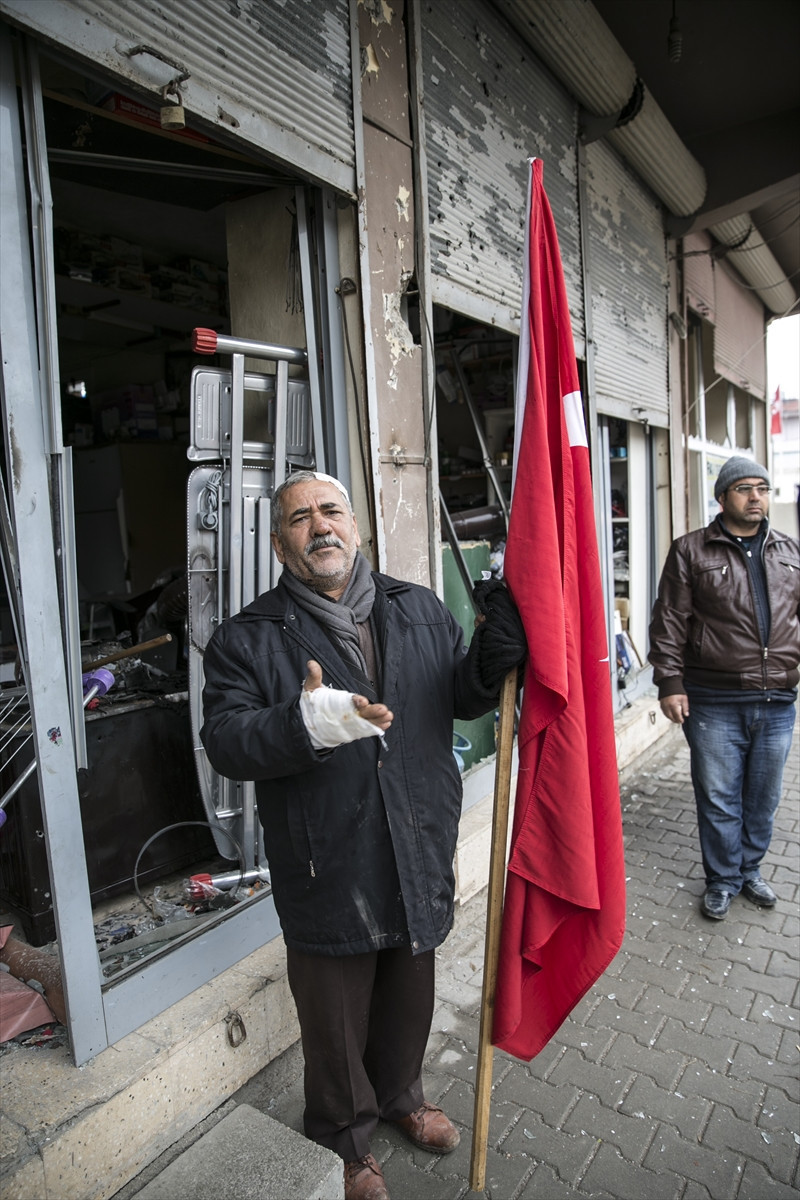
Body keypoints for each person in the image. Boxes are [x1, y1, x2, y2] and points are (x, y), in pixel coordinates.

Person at [200, 470, 526, 1200]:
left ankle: (403, 1097)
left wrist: (492, 657)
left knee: (410, 986)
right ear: (280, 543)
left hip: (416, 832)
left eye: (331, 511)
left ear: (358, 526)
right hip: (326, 854)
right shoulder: (246, 638)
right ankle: (346, 1140)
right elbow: (224, 741)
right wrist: (301, 723)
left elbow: (460, 697)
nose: (319, 526)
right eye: (298, 518)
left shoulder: (420, 608)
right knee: (335, 1014)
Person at [649, 456, 800, 921]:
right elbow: (669, 620)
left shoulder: (789, 551)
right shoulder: (691, 550)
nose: (756, 496)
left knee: (764, 797)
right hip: (713, 699)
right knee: (718, 796)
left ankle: (749, 869)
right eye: (744, 488)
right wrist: (670, 682)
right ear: (722, 497)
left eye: (762, 487)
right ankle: (722, 879)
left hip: (777, 699)